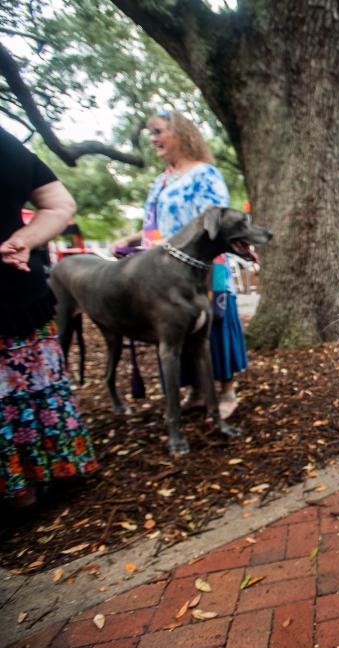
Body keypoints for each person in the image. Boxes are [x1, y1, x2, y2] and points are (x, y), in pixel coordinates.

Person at [112, 111, 246, 419]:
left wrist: (170, 242)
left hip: (204, 269)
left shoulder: (205, 174)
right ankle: (197, 390)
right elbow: (153, 226)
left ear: (182, 134)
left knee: (213, 325)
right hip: (163, 273)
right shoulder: (160, 181)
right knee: (173, 327)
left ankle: (226, 390)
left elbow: (215, 221)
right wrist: (133, 239)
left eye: (159, 131)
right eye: (151, 134)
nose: (154, 139)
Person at [0, 127, 99, 508]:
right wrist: (25, 238)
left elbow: (59, 205)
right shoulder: (6, 142)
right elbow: (58, 206)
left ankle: (22, 489)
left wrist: (24, 239)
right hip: (23, 292)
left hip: (19, 298)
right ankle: (44, 473)